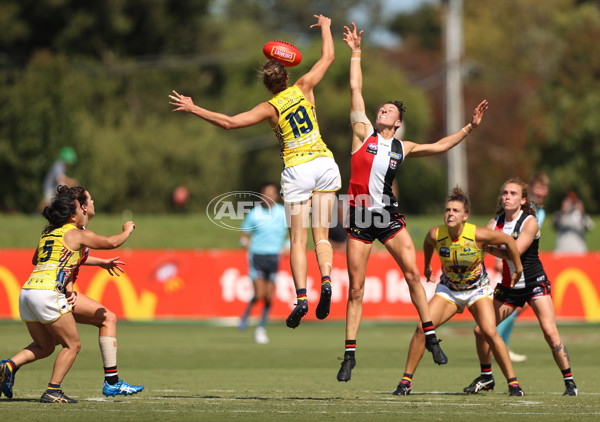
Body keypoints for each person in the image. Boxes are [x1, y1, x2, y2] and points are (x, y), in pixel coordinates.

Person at [336, 22, 489, 382]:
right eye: (382, 109)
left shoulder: (403, 148)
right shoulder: (362, 134)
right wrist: (356, 51)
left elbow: (439, 146)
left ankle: (431, 336)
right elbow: (355, 87)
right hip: (360, 217)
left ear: (399, 121)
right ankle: (349, 355)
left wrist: (470, 127)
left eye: (389, 111)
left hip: (387, 217)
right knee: (356, 288)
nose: (382, 111)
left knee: (412, 276)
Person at [170, 14, 341, 329]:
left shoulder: (269, 108)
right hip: (325, 163)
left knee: (298, 239)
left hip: (298, 169)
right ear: (287, 77)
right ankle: (328, 279)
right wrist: (327, 27)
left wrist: (195, 108)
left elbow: (229, 123)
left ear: (267, 84)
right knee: (322, 237)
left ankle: (302, 297)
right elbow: (329, 56)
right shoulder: (305, 86)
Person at [0, 185, 135, 403]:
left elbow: (38, 260)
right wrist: (127, 229)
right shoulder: (76, 233)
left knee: (45, 346)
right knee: (73, 345)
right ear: (77, 211)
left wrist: (94, 264)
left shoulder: (50, 231)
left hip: (27, 293)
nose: (90, 204)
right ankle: (53, 389)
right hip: (49, 292)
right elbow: (112, 242)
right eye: (88, 201)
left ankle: (7, 366)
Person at [392, 188, 524, 396]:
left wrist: (518, 267)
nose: (450, 214)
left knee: (489, 332)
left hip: (476, 290)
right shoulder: (436, 233)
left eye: (455, 210)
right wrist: (427, 266)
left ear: (465, 216)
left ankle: (514, 384)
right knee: (421, 328)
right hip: (449, 290)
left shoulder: (478, 234)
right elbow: (427, 243)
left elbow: (508, 241)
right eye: (447, 210)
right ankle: (405, 382)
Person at [463, 178, 578, 396]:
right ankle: (486, 377)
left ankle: (569, 381)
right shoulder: (493, 223)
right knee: (480, 330)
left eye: (513, 193)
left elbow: (514, 251)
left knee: (550, 333)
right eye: (505, 193)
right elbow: (476, 244)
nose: (507, 196)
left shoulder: (530, 222)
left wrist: (489, 247)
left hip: (534, 283)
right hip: (509, 287)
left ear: (523, 199)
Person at [497, 172, 550, 362]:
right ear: (531, 189)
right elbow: (505, 233)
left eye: (544, 189)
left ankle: (502, 343)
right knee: (513, 308)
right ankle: (500, 344)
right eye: (538, 187)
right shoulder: (524, 210)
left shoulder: (540, 213)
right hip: (513, 264)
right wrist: (499, 257)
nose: (541, 192)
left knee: (518, 308)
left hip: (525, 265)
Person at [238, 182, 288, 344]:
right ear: (261, 196)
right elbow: (243, 236)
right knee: (259, 293)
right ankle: (246, 315)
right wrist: (245, 243)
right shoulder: (254, 214)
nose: (269, 196)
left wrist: (287, 247)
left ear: (276, 195)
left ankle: (261, 327)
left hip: (274, 257)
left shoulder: (282, 213)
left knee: (268, 296)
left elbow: (294, 233)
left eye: (272, 193)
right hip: (257, 256)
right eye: (266, 193)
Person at [37, 146, 78, 213]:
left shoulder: (61, 166)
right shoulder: (58, 165)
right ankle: (36, 214)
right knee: (47, 201)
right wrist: (71, 181)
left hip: (54, 186)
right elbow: (60, 177)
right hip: (50, 186)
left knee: (53, 201)